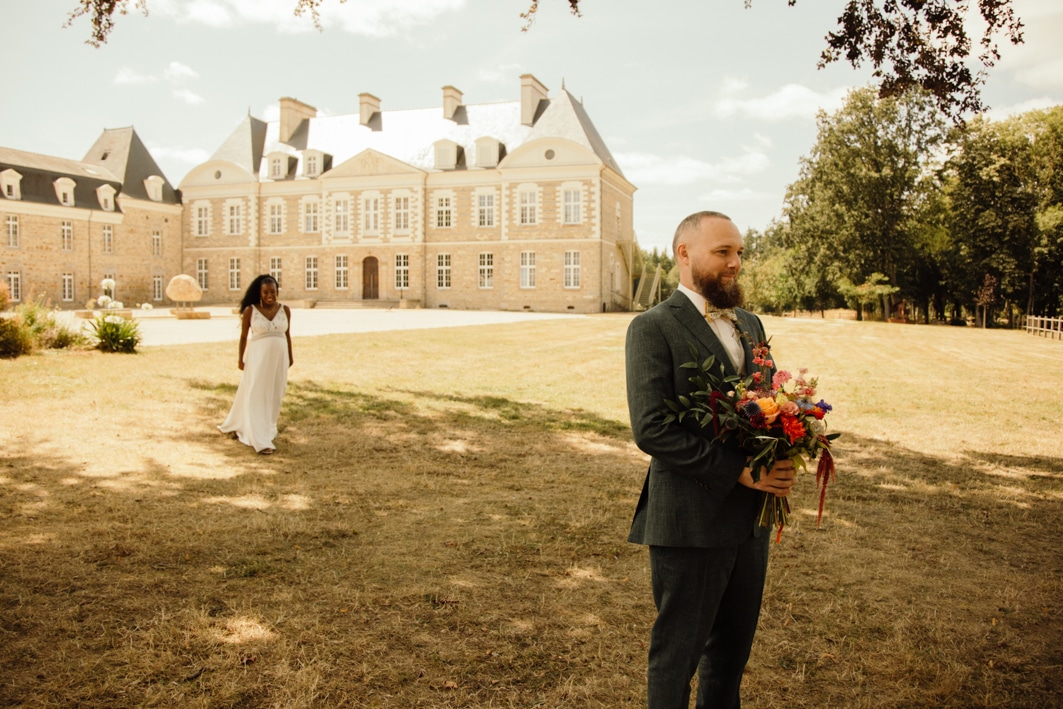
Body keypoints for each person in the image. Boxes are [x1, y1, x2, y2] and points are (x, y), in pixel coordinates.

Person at [625, 211, 796, 708]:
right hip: (689, 522)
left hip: (750, 524)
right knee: (677, 656)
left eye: (739, 252)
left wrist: (781, 448)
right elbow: (652, 427)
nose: (735, 262)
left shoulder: (750, 323)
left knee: (730, 660)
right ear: (685, 253)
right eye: (723, 252)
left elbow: (767, 404)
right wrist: (738, 471)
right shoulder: (652, 328)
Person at [219, 274, 294, 455]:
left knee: (274, 395)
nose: (270, 295)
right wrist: (240, 359)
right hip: (257, 359)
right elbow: (244, 336)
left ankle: (267, 428)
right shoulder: (251, 311)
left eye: (273, 292)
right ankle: (259, 439)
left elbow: (287, 334)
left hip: (279, 360)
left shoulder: (285, 310)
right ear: (259, 293)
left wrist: (291, 356)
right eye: (266, 292)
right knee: (256, 393)